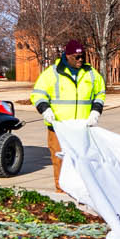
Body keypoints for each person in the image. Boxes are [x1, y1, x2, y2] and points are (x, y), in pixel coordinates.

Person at [31, 39, 106, 191]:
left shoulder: (91, 73)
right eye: (76, 57)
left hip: (82, 128)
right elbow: (38, 94)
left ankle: (82, 192)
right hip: (58, 128)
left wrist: (95, 111)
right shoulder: (52, 73)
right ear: (67, 55)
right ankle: (62, 192)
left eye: (82, 56)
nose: (81, 60)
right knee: (60, 161)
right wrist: (45, 110)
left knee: (82, 162)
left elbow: (100, 93)